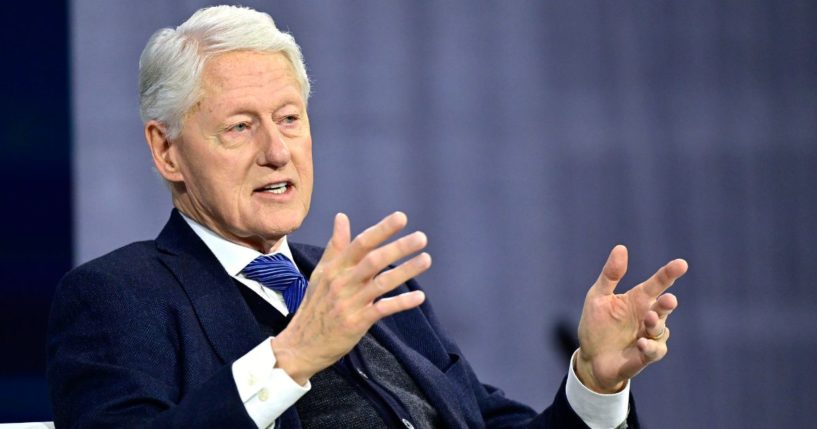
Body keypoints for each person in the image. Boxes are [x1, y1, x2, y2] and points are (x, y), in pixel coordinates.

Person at [47, 5, 686, 429]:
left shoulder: (374, 290)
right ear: (166, 150)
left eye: (290, 119)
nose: (277, 150)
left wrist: (596, 386)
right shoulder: (118, 297)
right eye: (240, 127)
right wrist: (292, 355)